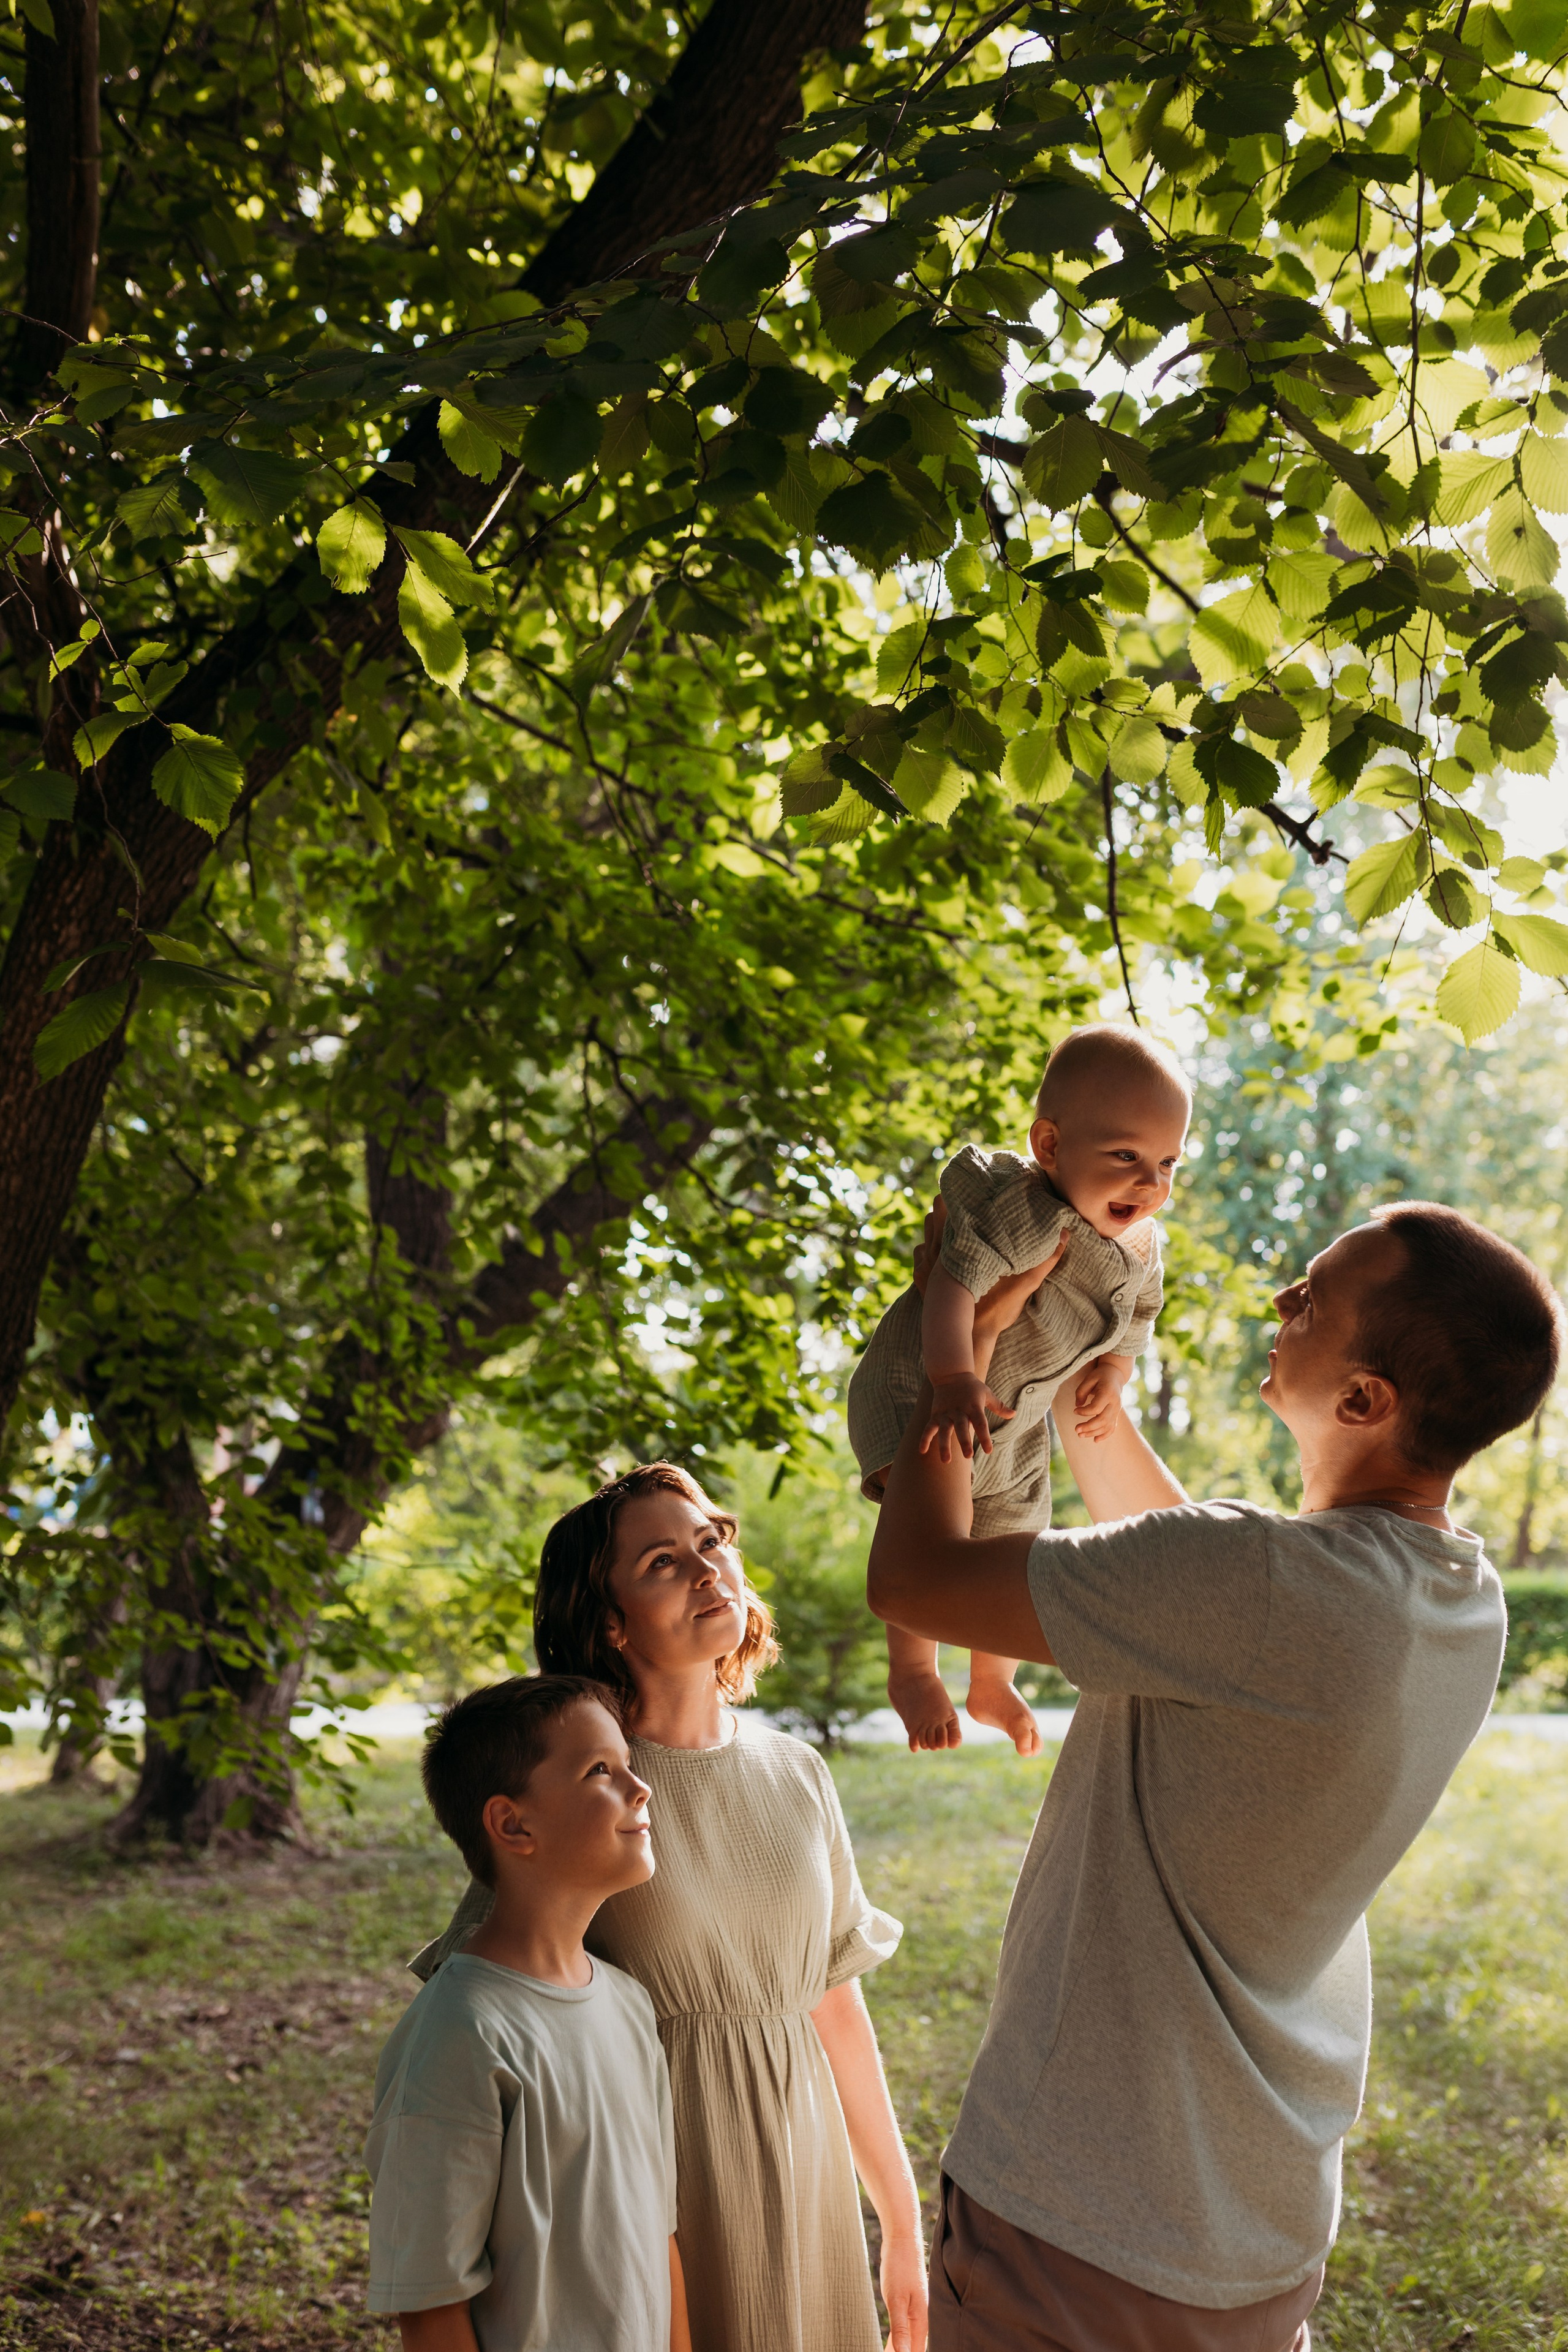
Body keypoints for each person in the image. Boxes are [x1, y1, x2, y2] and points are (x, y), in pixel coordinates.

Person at [869, 1198, 1561, 2351]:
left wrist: (962, 1359)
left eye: (1312, 1299)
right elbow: (1203, 1600)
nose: (1280, 1304)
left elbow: (921, 1580)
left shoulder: (1256, 1588)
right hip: (1258, 2220)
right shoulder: (1459, 1601)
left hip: (1083, 2217)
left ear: (1363, 1400)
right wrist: (1094, 1414)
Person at [410, 1463, 927, 2352]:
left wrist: (902, 2220)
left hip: (805, 2172)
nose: (706, 1571)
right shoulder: (588, 1798)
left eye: (712, 1543)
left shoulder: (798, 1772)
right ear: (609, 1620)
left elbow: (832, 2004)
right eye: (662, 1561)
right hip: (658, 2187)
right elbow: (483, 1989)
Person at [848, 1023, 1188, 1755]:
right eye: (1125, 1156)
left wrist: (1113, 1370)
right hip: (927, 1390)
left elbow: (1141, 1316)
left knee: (1014, 1534)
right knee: (927, 1530)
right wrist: (952, 1378)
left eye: (1166, 1163)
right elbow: (949, 1283)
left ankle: (991, 1683)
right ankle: (911, 1670)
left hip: (1017, 1420)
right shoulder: (1021, 1209)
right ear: (1050, 1146)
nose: (1148, 1183)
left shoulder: (1140, 1248)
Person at [365, 1673, 691, 2352]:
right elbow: (431, 2306)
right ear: (513, 1824)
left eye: (629, 1765)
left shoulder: (629, 2005)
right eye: (600, 1771)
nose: (640, 1789)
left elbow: (659, 2236)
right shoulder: (460, 2034)